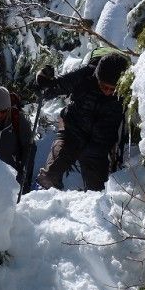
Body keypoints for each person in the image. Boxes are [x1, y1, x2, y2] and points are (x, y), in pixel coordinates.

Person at [34, 51, 130, 191]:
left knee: (98, 194)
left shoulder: (127, 89)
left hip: (99, 145)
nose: (108, 92)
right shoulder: (85, 76)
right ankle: (39, 201)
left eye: (113, 89)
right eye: (104, 86)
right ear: (97, 77)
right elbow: (54, 87)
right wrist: (42, 82)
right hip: (71, 132)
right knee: (49, 176)